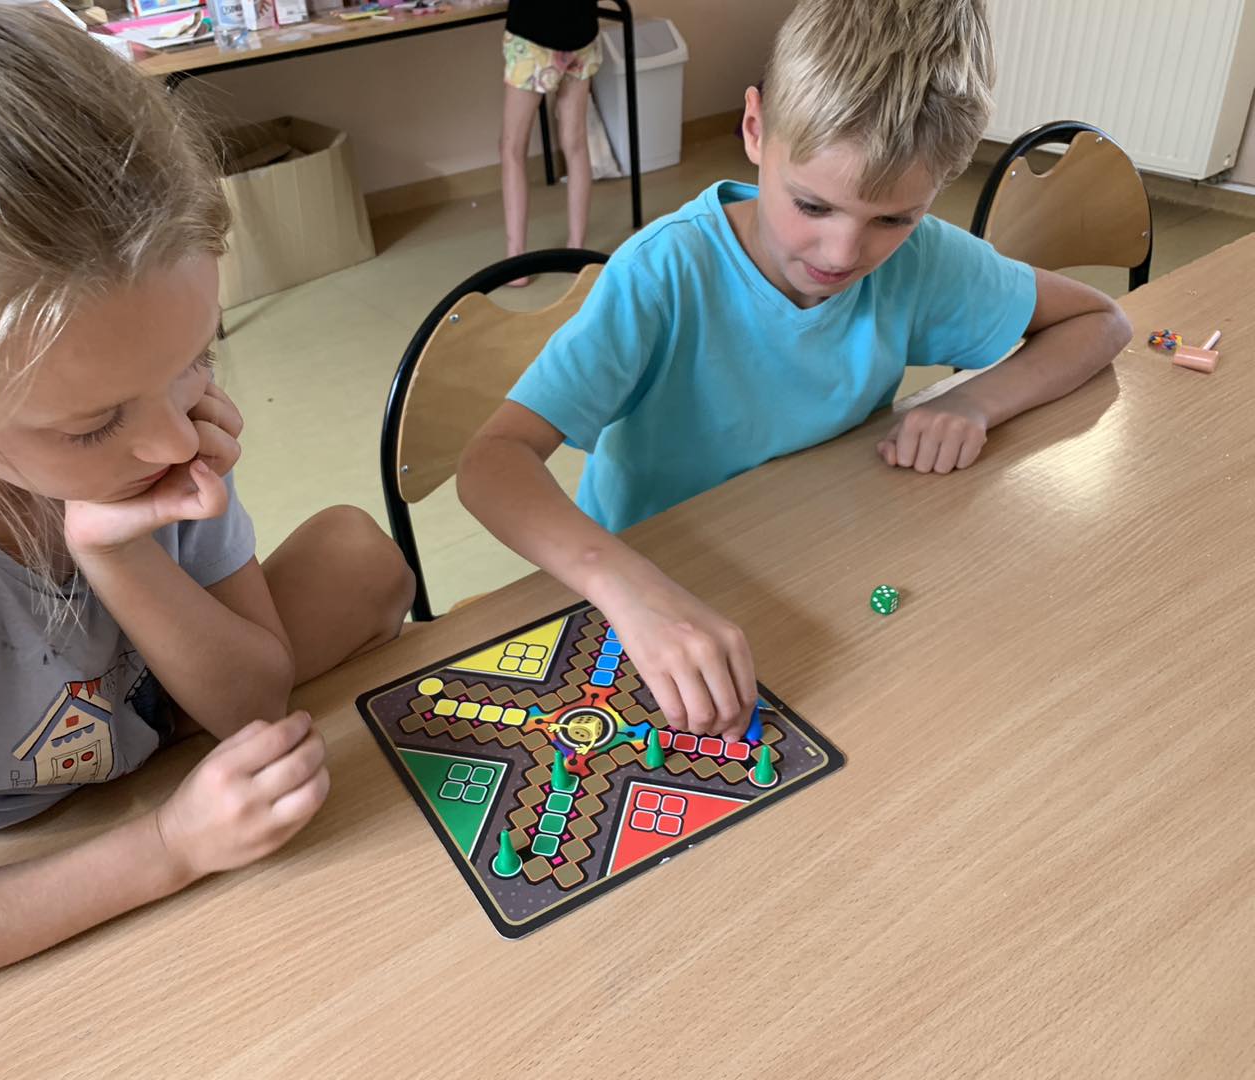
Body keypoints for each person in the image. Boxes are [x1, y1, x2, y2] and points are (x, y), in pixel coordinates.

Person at [0, 0, 412, 1011]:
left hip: (132, 734)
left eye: (196, 356)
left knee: (360, 554)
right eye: (93, 425)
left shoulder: (146, 409)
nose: (179, 443)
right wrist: (167, 848)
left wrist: (118, 552)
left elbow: (253, 704)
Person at [459, 0, 1130, 740]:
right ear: (755, 128)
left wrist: (976, 402)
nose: (842, 254)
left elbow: (1101, 321)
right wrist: (627, 586)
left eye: (893, 219)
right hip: (650, 588)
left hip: (819, 565)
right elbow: (492, 461)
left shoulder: (922, 259)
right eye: (811, 205)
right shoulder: (663, 272)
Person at [500, 0, 602, 285]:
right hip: (582, 34)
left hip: (533, 36)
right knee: (576, 144)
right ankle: (577, 251)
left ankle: (516, 262)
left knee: (512, 147)